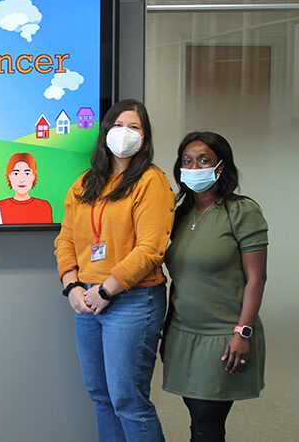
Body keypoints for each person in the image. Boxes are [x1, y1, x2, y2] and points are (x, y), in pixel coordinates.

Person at [54, 99, 175, 441]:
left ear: (145, 136)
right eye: (119, 125)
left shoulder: (152, 181)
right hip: (87, 301)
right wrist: (72, 285)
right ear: (105, 131)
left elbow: (151, 249)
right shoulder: (84, 183)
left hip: (133, 300)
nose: (125, 133)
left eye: (134, 127)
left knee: (128, 400)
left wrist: (106, 290)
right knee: (102, 398)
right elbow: (65, 239)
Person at [162, 132, 268, 442]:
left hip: (224, 336)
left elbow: (256, 278)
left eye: (204, 160)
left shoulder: (242, 212)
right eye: (187, 161)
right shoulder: (179, 215)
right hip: (183, 334)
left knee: (208, 426)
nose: (194, 166)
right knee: (198, 422)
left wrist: (243, 331)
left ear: (221, 167)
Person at [0, 152, 53, 224]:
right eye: (16, 173)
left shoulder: (43, 207)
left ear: (34, 176)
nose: (22, 179)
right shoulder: (0, 207)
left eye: (27, 173)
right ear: (9, 176)